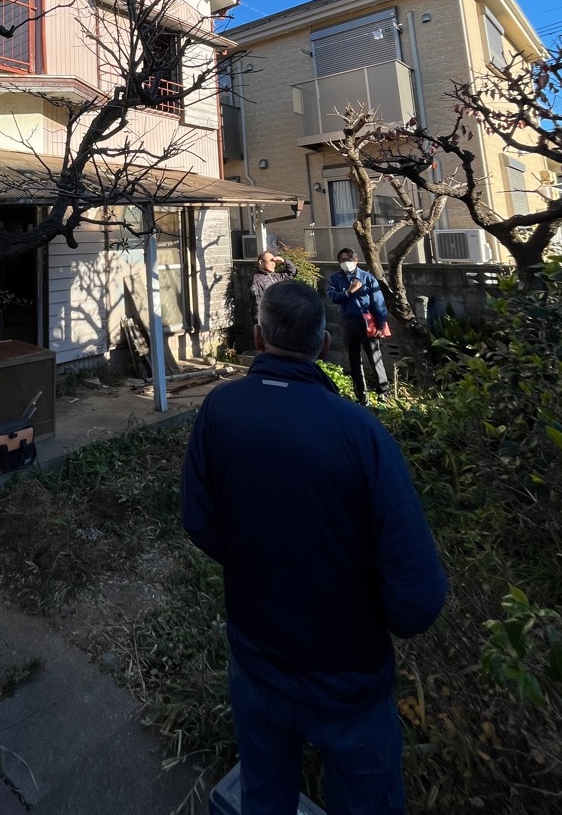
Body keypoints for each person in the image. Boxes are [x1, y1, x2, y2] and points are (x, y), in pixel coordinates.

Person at [181, 282, 446, 815]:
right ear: (324, 344)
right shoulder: (360, 433)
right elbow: (417, 599)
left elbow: (200, 523)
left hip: (256, 661)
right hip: (349, 683)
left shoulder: (219, 409)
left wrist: (256, 562)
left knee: (263, 797)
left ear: (259, 338)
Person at [326, 247, 391, 405]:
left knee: (375, 357)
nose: (345, 262)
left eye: (348, 259)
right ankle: (361, 395)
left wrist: (381, 325)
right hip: (348, 322)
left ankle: (383, 393)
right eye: (342, 260)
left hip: (367, 322)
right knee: (354, 359)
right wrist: (349, 292)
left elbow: (378, 302)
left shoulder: (367, 278)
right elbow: (332, 297)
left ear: (356, 260)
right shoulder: (335, 278)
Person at [249, 250, 296, 337]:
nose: (273, 263)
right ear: (261, 262)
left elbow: (292, 273)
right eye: (271, 261)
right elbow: (257, 305)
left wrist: (284, 261)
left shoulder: (276, 277)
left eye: (274, 261)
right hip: (269, 324)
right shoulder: (257, 280)